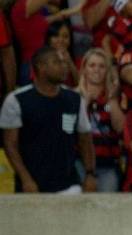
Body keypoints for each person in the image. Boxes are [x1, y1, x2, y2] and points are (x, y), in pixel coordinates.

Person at [0, 46, 96, 193]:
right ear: (40, 67)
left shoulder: (74, 99)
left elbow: (85, 139)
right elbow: (10, 145)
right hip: (32, 187)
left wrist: (90, 174)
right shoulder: (16, 100)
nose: (64, 67)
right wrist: (26, 179)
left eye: (64, 62)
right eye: (57, 62)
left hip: (69, 186)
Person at [77, 48, 125, 192]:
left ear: (107, 71)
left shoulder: (116, 97)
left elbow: (121, 128)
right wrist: (85, 101)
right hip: (79, 162)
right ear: (84, 69)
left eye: (101, 66)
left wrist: (112, 99)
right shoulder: (73, 96)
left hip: (107, 164)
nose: (96, 70)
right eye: (92, 65)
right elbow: (68, 130)